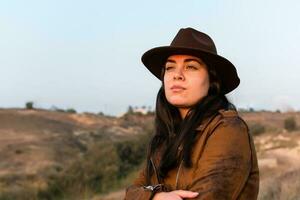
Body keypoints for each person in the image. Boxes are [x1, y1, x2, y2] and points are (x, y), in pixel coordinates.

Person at [124, 27, 259, 200]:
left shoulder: (228, 129)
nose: (177, 75)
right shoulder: (165, 139)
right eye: (170, 67)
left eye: (191, 67)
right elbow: (130, 193)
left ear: (212, 80)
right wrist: (155, 198)